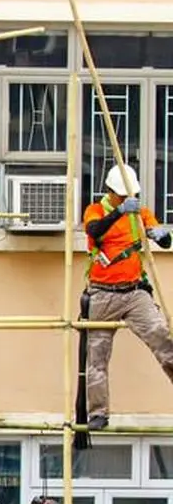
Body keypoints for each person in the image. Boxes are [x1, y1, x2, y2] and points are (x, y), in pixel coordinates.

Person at [80, 163, 173, 431]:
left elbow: (164, 242)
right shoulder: (96, 211)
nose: (126, 199)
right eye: (121, 195)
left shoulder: (140, 214)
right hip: (102, 294)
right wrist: (119, 212)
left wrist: (159, 235)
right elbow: (94, 231)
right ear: (111, 191)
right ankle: (98, 413)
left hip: (134, 292)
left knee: (161, 336)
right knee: (97, 356)